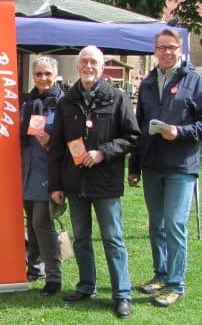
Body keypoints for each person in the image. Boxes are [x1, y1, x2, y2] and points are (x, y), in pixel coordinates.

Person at [128, 28, 202, 307]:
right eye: (161, 47)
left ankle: (175, 285)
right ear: (154, 51)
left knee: (175, 224)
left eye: (171, 47)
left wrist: (180, 132)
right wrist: (134, 167)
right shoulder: (146, 84)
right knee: (157, 224)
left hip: (181, 165)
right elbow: (139, 129)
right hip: (153, 165)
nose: (166, 52)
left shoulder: (193, 81)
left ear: (180, 50)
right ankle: (161, 273)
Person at [48, 46, 140, 319]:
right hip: (74, 183)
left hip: (105, 182)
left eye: (94, 62)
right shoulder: (66, 102)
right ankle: (86, 286)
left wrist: (103, 152)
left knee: (113, 239)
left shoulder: (117, 98)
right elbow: (56, 148)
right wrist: (56, 185)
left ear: (102, 68)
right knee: (81, 239)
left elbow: (133, 137)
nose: (88, 66)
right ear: (77, 67)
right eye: (84, 62)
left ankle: (122, 294)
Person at [20, 57, 64, 296]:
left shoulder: (63, 103)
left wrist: (51, 144)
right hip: (27, 172)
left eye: (47, 74)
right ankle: (35, 268)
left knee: (42, 223)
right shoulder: (28, 101)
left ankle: (54, 276)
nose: (43, 78)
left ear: (55, 74)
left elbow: (70, 141)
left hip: (49, 173)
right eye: (38, 74)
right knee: (32, 223)